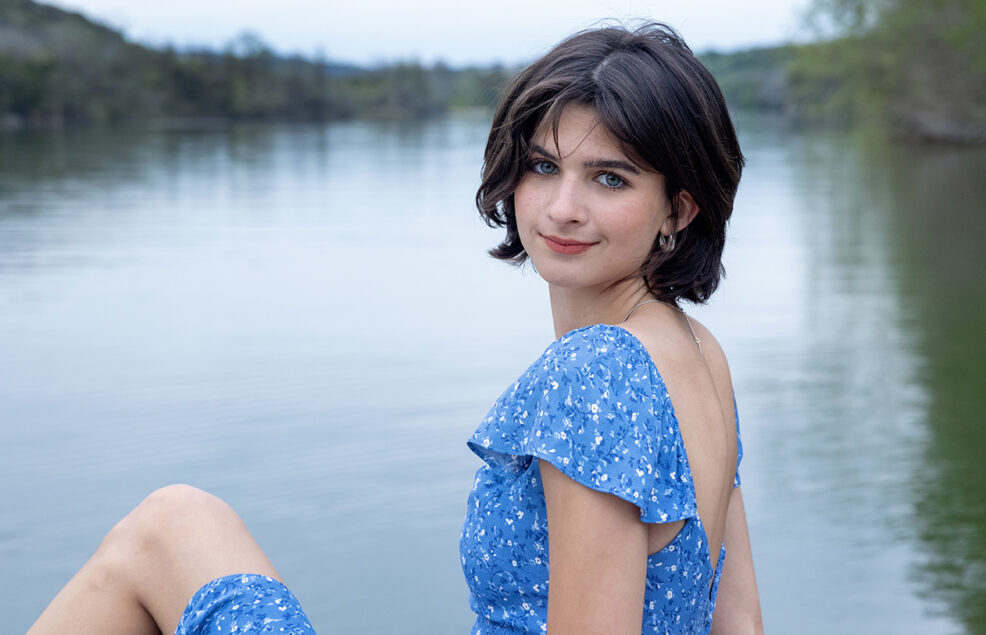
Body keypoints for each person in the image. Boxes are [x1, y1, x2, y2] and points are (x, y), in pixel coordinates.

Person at [28, 22, 762, 635]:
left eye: (611, 178)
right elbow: (737, 620)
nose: (562, 207)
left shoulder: (595, 372)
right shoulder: (699, 352)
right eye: (544, 166)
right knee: (177, 521)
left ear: (680, 209)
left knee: (165, 529)